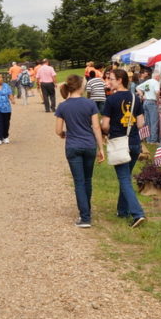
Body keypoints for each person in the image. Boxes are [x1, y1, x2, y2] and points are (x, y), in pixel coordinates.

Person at [55, 75, 105, 227]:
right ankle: (87, 210)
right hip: (89, 145)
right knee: (87, 179)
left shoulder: (63, 106)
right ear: (81, 87)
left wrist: (65, 134)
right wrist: (101, 148)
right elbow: (96, 127)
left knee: (79, 181)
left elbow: (58, 130)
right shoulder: (90, 104)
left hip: (73, 145)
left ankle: (85, 217)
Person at [101, 69, 146, 228]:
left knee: (124, 179)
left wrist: (107, 130)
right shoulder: (135, 97)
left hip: (119, 143)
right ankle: (122, 210)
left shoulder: (111, 100)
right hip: (134, 142)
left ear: (120, 80)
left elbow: (105, 125)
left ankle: (137, 213)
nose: (108, 82)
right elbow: (140, 123)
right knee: (125, 177)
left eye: (111, 79)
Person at [135, 69, 161, 143]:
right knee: (153, 122)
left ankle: (148, 139)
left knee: (147, 122)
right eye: (159, 77)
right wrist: (157, 99)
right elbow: (157, 92)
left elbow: (138, 88)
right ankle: (153, 140)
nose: (160, 79)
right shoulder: (156, 82)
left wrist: (142, 95)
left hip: (146, 102)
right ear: (157, 76)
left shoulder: (148, 82)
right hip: (152, 102)